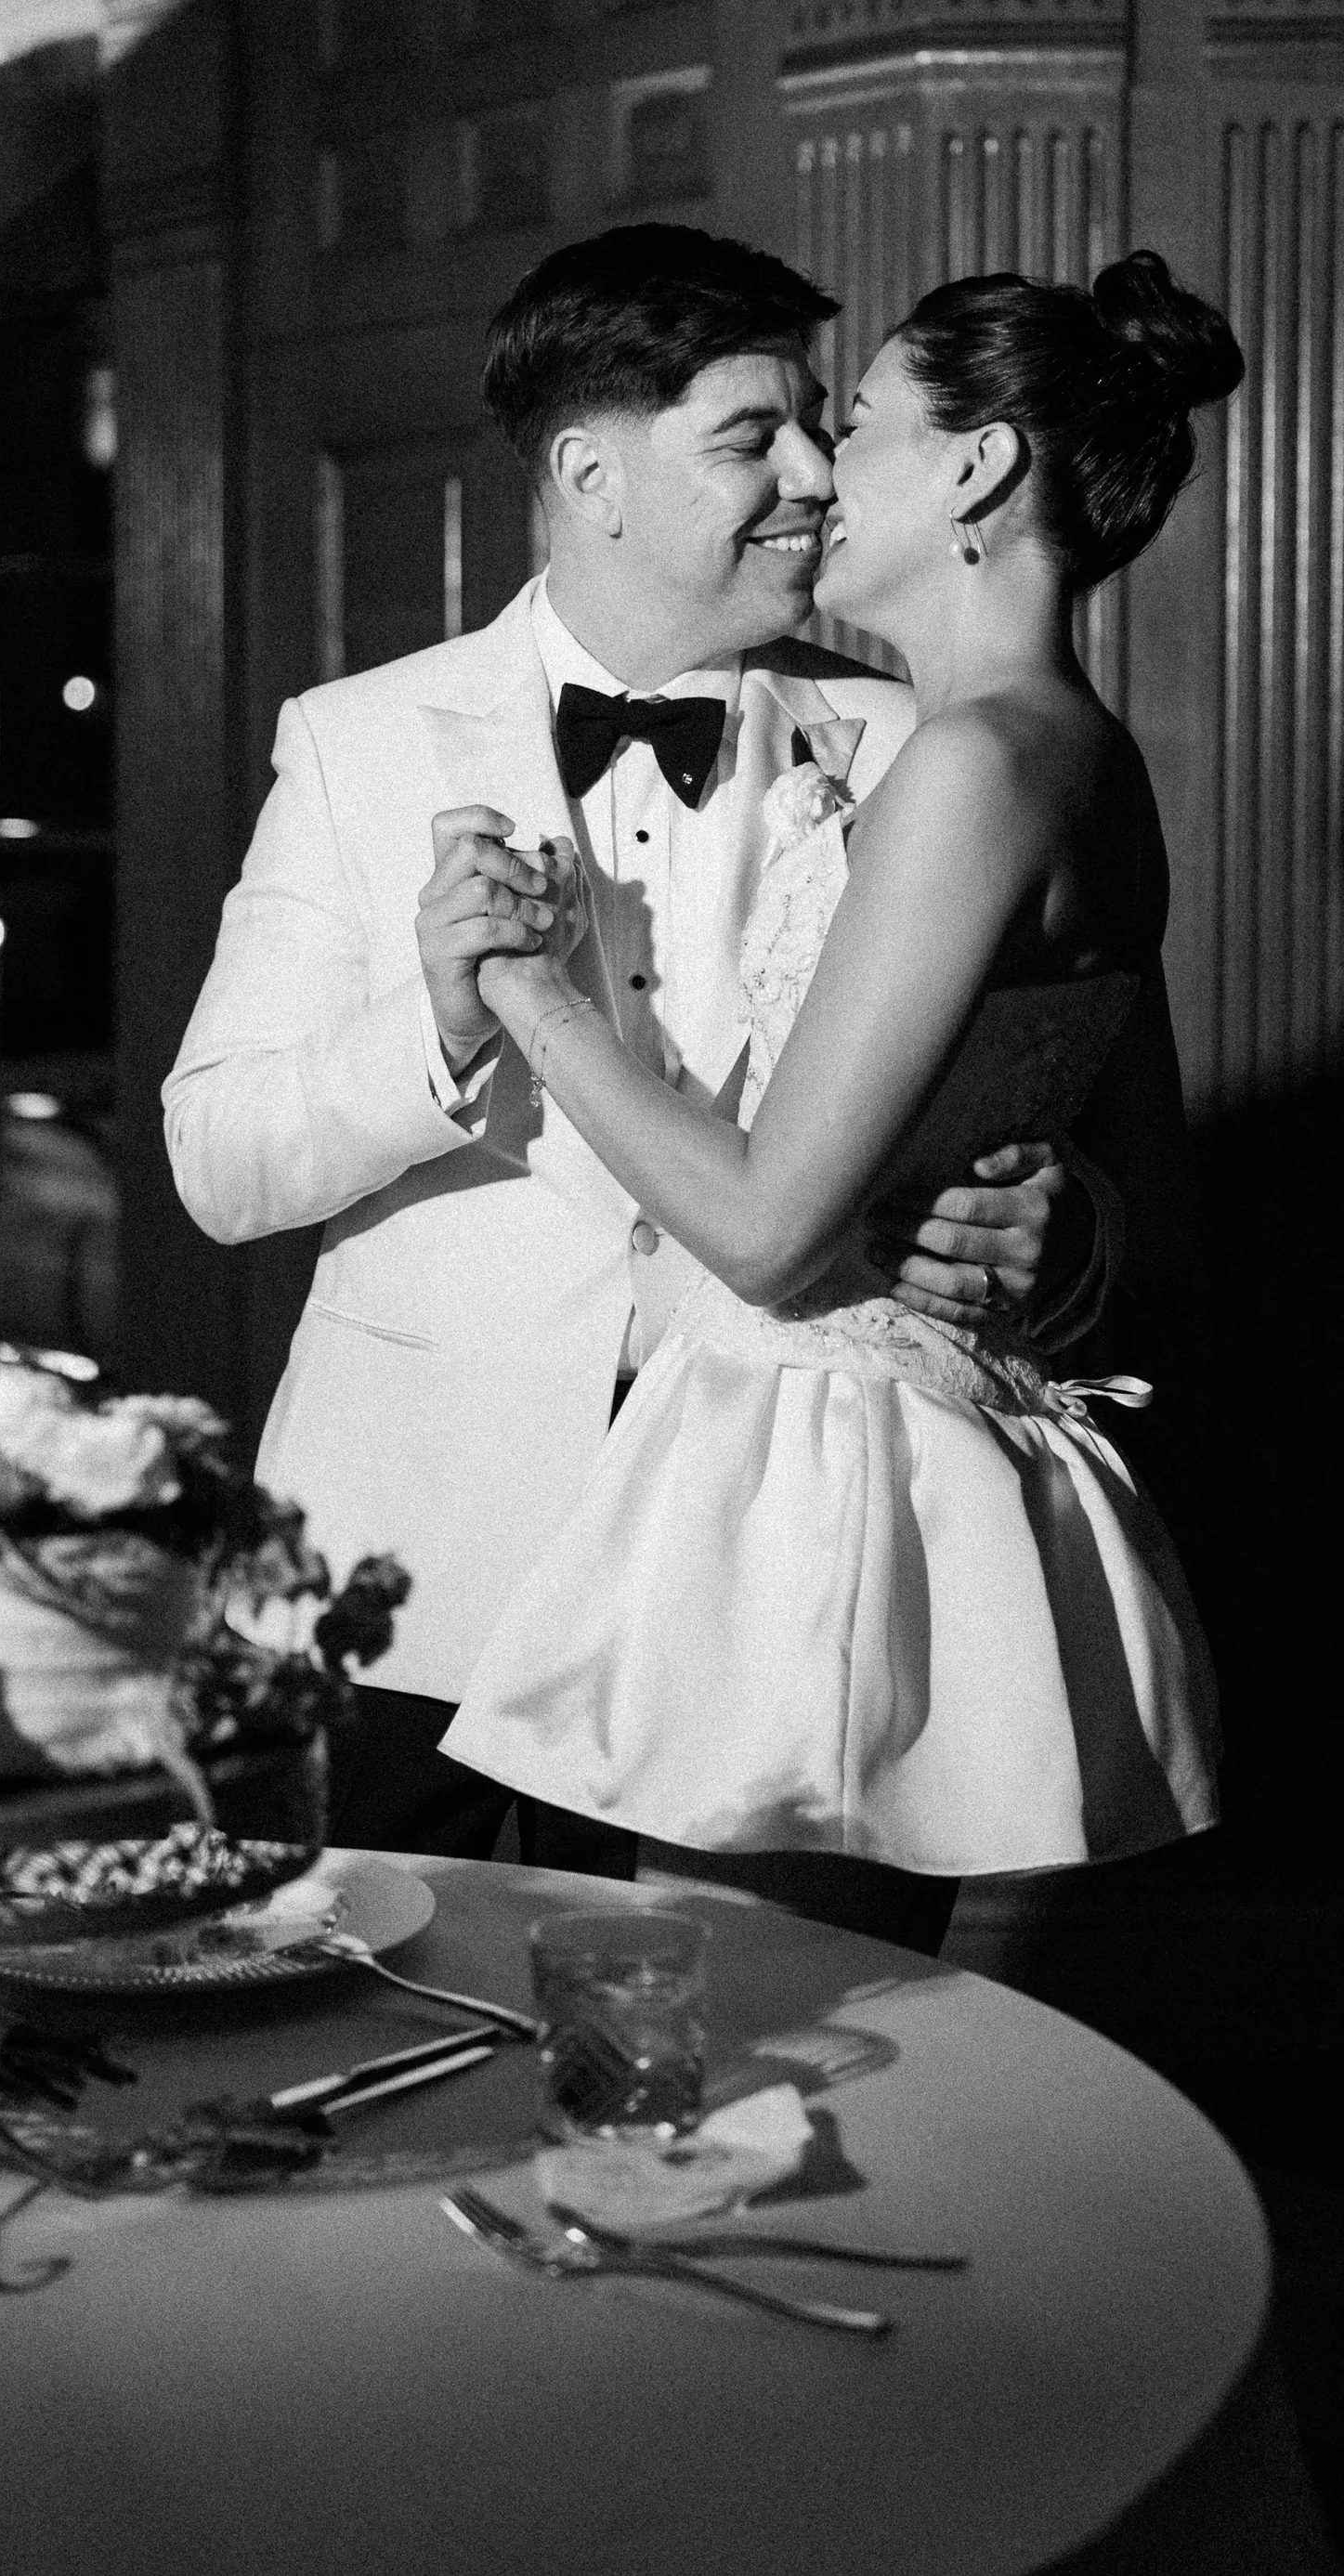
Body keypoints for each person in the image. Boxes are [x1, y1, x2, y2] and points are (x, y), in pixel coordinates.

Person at [163, 225, 1114, 1881]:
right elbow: (216, 1159)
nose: (812, 475)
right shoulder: (357, 741)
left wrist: (1060, 1228)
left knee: (670, 2032)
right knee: (323, 1998)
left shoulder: (914, 739)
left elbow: (1063, 1125)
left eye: (819, 423)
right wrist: (441, 1021)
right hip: (398, 1573)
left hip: (734, 1595)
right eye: (754, 436)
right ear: (591, 477)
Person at [441, 254, 1241, 1953]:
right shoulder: (1087, 756)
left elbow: (762, 1226)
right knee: (849, 2044)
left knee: (738, 2037)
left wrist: (526, 991)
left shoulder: (969, 764)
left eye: (857, 425)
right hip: (942, 1453)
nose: (816, 472)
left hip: (823, 1481)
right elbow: (1156, 1214)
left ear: (978, 468)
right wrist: (1054, 1222)